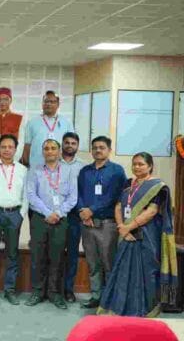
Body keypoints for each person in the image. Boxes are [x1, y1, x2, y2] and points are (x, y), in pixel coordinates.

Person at [98, 152, 178, 317]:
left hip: (146, 235)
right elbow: (118, 206)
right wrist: (122, 227)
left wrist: (128, 227)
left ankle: (145, 309)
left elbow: (152, 211)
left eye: (141, 164)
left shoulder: (157, 186)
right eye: (134, 164)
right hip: (126, 233)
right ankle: (120, 307)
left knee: (146, 271)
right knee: (122, 270)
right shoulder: (129, 183)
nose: (137, 167)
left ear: (150, 166)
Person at [25, 139, 77, 309]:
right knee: (38, 256)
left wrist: (58, 213)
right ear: (43, 152)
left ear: (59, 151)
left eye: (53, 148)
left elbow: (73, 197)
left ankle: (55, 293)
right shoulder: (35, 170)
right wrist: (47, 213)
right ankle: (37, 292)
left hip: (61, 220)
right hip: (40, 218)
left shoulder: (68, 171)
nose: (50, 151)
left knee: (58, 257)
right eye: (46, 148)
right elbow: (31, 195)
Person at [77, 136, 127, 309]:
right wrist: (83, 212)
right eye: (95, 147)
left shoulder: (117, 171)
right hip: (87, 225)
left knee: (108, 263)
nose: (98, 150)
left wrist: (92, 210)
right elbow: (79, 194)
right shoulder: (85, 171)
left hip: (107, 225)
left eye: (102, 147)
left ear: (109, 150)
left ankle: (110, 299)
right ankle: (96, 296)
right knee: (93, 263)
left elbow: (114, 196)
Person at [0, 134, 28, 305]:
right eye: (3, 147)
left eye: (10, 147)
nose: (7, 150)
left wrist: (21, 215)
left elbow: (26, 195)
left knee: (12, 254)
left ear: (16, 150)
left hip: (14, 214)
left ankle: (10, 290)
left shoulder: (23, 170)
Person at [61, 132, 87, 303]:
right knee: (53, 253)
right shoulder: (54, 163)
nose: (70, 145)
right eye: (67, 142)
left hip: (74, 215)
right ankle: (53, 289)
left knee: (72, 253)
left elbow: (84, 191)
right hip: (56, 213)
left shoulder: (83, 167)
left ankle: (68, 289)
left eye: (73, 143)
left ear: (77, 146)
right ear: (62, 144)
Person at [22, 90, 74, 169]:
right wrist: (26, 166)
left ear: (58, 104)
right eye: (46, 101)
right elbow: (27, 146)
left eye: (52, 102)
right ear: (42, 104)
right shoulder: (32, 122)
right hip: (36, 167)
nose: (49, 104)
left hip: (60, 167)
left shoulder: (67, 123)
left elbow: (71, 145)